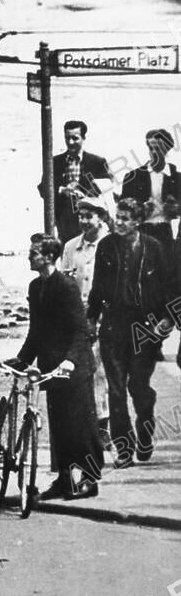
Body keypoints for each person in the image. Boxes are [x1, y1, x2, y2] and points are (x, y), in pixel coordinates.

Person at [7, 234, 103, 500]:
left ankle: (90, 479)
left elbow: (79, 329)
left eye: (34, 252)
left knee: (81, 425)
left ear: (49, 257)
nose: (29, 256)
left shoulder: (66, 286)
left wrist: (70, 361)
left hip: (75, 366)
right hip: (52, 367)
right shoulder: (35, 287)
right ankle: (64, 479)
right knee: (60, 426)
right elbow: (36, 330)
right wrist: (22, 360)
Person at [87, 198, 178, 467]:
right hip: (114, 324)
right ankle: (124, 449)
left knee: (139, 387)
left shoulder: (155, 248)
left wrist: (169, 319)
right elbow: (98, 286)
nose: (120, 222)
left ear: (138, 221)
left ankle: (145, 431)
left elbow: (170, 286)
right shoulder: (106, 246)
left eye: (126, 218)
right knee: (115, 391)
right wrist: (92, 317)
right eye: (118, 216)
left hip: (144, 326)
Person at [60, 198, 111, 447]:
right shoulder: (71, 247)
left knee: (101, 372)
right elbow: (67, 280)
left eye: (89, 216)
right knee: (82, 372)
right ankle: (87, 427)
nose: (83, 221)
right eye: (80, 215)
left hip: (106, 317)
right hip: (78, 319)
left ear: (100, 217)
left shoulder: (110, 243)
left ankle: (103, 426)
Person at [40, 120, 113, 244]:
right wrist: (62, 190)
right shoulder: (54, 162)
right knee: (67, 253)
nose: (70, 142)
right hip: (64, 219)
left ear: (84, 138)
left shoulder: (97, 162)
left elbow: (106, 188)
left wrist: (83, 192)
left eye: (75, 138)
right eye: (67, 138)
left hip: (91, 219)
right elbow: (43, 188)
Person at [118, 128, 181, 248]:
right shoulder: (133, 177)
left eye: (158, 148)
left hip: (165, 230)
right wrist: (140, 209)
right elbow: (123, 209)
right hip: (142, 230)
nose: (153, 152)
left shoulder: (177, 178)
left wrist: (175, 208)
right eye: (150, 148)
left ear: (167, 149)